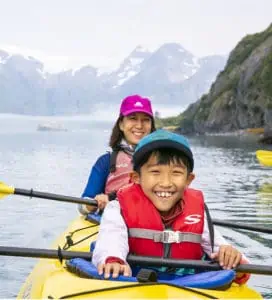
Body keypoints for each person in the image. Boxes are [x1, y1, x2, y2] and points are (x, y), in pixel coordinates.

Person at [92, 129, 250, 284]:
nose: (166, 183)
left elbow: (217, 245)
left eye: (176, 173)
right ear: (136, 178)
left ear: (189, 179)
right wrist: (113, 258)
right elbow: (111, 239)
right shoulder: (117, 208)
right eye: (155, 172)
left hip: (189, 282)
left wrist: (229, 254)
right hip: (137, 281)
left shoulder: (197, 211)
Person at [78, 94, 156, 215]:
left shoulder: (163, 160)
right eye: (133, 118)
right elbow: (82, 207)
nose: (139, 125)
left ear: (151, 126)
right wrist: (95, 202)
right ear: (121, 124)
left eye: (146, 120)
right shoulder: (106, 161)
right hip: (114, 221)